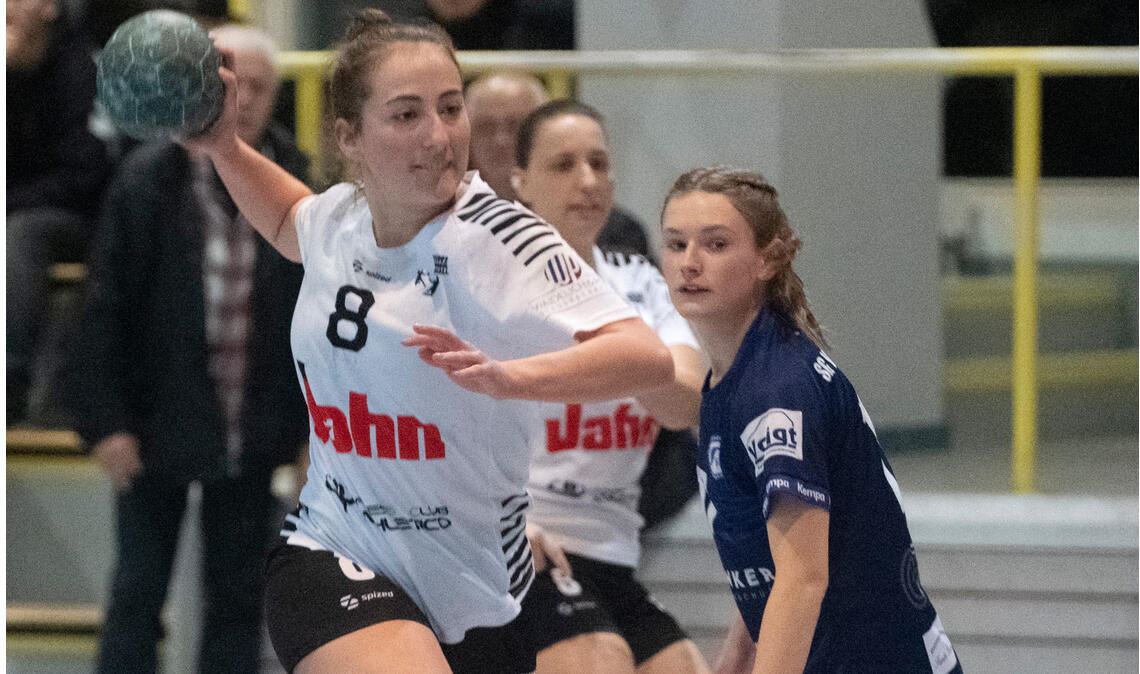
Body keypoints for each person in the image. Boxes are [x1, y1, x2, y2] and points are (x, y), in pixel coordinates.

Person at [185, 10, 674, 673]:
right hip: (333, 547)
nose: (439, 135)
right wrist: (224, 147)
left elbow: (646, 356)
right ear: (349, 136)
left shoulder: (503, 240)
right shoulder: (340, 218)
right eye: (407, 115)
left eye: (450, 108)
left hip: (477, 590)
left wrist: (512, 378)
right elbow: (286, 217)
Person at [60, 25, 310, 674]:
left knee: (239, 598)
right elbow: (103, 309)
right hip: (154, 421)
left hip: (256, 425)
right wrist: (107, 424)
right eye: (230, 84)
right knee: (138, 591)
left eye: (259, 87)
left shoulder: (300, 182)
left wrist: (312, 433)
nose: (243, 100)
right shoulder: (145, 179)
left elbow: (316, 319)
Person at [658, 166, 962, 673]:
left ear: (767, 259)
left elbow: (802, 578)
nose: (689, 263)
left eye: (715, 244)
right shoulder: (737, 375)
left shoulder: (776, 390)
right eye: (675, 244)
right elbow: (773, 553)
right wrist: (739, 652)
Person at [511, 100, 710, 673]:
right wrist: (638, 358)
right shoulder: (492, 288)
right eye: (564, 165)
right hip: (521, 549)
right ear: (521, 182)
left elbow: (684, 403)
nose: (588, 181)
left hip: (613, 553)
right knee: (601, 663)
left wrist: (607, 347)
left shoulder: (639, 280)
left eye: (599, 163)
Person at [7, 0, 111, 424]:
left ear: (49, 8)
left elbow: (84, 175)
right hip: (20, 204)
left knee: (17, 235)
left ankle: (9, 378)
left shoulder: (81, 70)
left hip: (73, 215)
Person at [466, 70, 652, 259]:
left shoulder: (617, 233)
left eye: (516, 126)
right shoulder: (455, 226)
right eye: (485, 127)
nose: (500, 140)